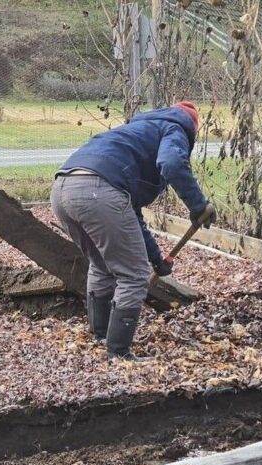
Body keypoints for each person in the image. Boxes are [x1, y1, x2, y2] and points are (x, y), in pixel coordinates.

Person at [50, 101, 216, 360]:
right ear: (193, 127)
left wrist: (156, 259)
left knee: (102, 265)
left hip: (63, 189)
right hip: (98, 192)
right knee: (134, 276)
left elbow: (130, 212)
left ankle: (100, 337)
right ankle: (118, 353)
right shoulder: (175, 128)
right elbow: (171, 163)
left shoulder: (138, 131)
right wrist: (198, 205)